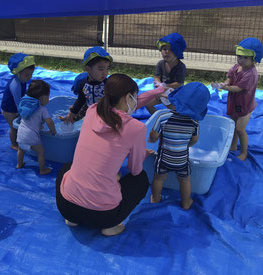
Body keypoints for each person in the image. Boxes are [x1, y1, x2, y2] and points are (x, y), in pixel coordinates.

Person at [56, 74, 156, 237]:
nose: (135, 102)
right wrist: (142, 154)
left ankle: (74, 220)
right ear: (127, 97)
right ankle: (111, 226)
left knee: (68, 167)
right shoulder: (136, 128)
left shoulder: (92, 110)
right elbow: (135, 170)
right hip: (105, 216)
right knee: (140, 180)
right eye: (134, 97)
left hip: (66, 207)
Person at [149, 82, 210, 210]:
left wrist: (153, 139)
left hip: (164, 157)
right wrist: (184, 145)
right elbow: (194, 140)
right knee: (185, 180)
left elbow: (153, 135)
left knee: (159, 178)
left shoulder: (163, 116)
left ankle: (155, 198)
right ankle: (186, 202)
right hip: (182, 158)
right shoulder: (194, 122)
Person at [212, 37, 262, 161]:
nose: (241, 60)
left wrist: (224, 87)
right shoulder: (236, 67)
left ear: (253, 59)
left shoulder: (251, 74)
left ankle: (244, 152)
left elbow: (238, 88)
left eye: (245, 58)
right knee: (233, 124)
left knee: (240, 128)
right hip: (235, 102)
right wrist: (224, 83)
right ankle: (233, 146)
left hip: (245, 105)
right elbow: (229, 77)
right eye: (239, 56)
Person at [60, 46, 112, 123]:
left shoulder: (108, 84)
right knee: (83, 111)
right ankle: (71, 119)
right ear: (88, 69)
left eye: (107, 68)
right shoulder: (83, 84)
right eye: (101, 69)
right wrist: (71, 114)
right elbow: (80, 100)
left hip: (105, 112)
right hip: (89, 108)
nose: (105, 72)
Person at [16, 80, 56, 175]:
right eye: (48, 97)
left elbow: (30, 119)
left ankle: (19, 164)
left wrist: (39, 125)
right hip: (32, 137)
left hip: (21, 133)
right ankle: (42, 170)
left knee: (21, 150)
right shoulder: (42, 109)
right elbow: (50, 122)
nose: (48, 99)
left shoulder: (25, 104)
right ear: (42, 98)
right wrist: (53, 130)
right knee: (41, 152)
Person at [145, 33, 187, 114]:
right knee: (147, 104)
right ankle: (157, 118)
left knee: (176, 110)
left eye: (171, 50)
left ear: (177, 52)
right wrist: (158, 84)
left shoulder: (180, 67)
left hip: (175, 93)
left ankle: (175, 120)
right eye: (164, 49)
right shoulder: (160, 64)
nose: (167, 52)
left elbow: (178, 83)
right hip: (162, 91)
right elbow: (157, 76)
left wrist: (165, 87)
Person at [1, 53, 35, 150]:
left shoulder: (22, 79)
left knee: (18, 126)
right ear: (17, 72)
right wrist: (24, 113)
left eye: (31, 74)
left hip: (15, 107)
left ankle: (19, 141)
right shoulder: (15, 85)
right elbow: (18, 102)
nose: (29, 77)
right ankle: (13, 144)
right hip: (9, 110)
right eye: (27, 75)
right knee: (14, 128)